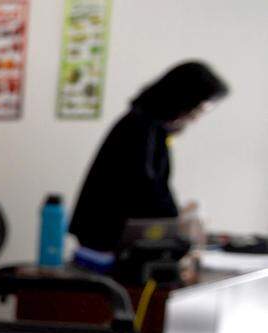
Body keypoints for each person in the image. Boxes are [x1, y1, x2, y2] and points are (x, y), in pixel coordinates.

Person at [69, 61, 229, 252]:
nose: (197, 116)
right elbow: (145, 189)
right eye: (200, 108)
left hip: (111, 233)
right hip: (108, 237)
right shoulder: (141, 127)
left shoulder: (148, 125)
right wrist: (178, 222)